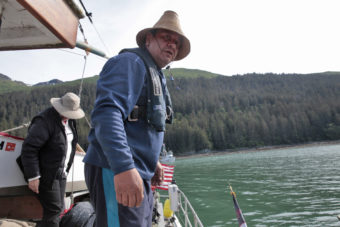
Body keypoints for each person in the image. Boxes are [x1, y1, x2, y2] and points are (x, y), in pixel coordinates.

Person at [83, 10, 190, 227]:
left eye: (176, 42)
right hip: (115, 168)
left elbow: (143, 126)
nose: (171, 45)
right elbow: (106, 114)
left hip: (141, 171)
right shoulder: (130, 62)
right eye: (165, 38)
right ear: (148, 40)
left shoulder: (155, 74)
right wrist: (123, 167)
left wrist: (155, 162)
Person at [21, 92, 85, 227]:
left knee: (58, 208)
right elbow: (29, 149)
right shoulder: (44, 121)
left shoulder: (70, 121)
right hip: (46, 174)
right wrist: (33, 177)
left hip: (61, 173)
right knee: (54, 210)